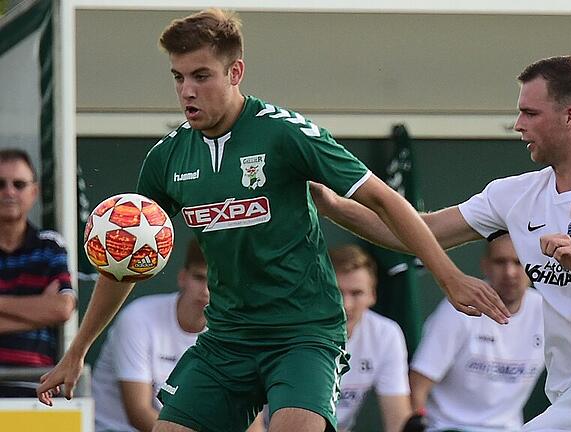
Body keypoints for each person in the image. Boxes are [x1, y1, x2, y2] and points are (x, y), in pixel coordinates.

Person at [37, 8, 509, 432]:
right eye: (178, 77)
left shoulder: (285, 133)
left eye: (201, 75)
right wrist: (76, 352)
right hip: (226, 339)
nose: (186, 90)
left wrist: (448, 278)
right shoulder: (166, 158)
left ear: (235, 71)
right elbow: (125, 263)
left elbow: (385, 200)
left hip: (304, 334)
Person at [311, 54, 571, 432]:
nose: (517, 125)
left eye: (530, 113)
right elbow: (418, 233)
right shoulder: (514, 195)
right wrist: (333, 206)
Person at [406, 234, 544, 432]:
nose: (510, 272)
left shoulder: (546, 312)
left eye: (518, 262)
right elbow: (417, 387)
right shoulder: (460, 310)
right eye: (500, 262)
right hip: (447, 428)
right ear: (485, 265)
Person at [92, 240, 209, 432]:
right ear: (182, 277)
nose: (205, 291)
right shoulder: (138, 317)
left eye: (215, 282)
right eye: (199, 278)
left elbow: (249, 420)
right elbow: (139, 413)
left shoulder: (231, 332)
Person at [0, 148, 76, 397]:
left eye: (19, 184)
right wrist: (39, 309)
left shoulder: (50, 246)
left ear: (34, 192)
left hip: (35, 393)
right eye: (0, 184)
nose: (9, 192)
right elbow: (52, 310)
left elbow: (62, 308)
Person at [329, 244, 411, 432]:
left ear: (372, 295)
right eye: (336, 292)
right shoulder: (293, 331)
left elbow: (397, 420)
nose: (346, 305)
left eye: (356, 293)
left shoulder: (386, 334)